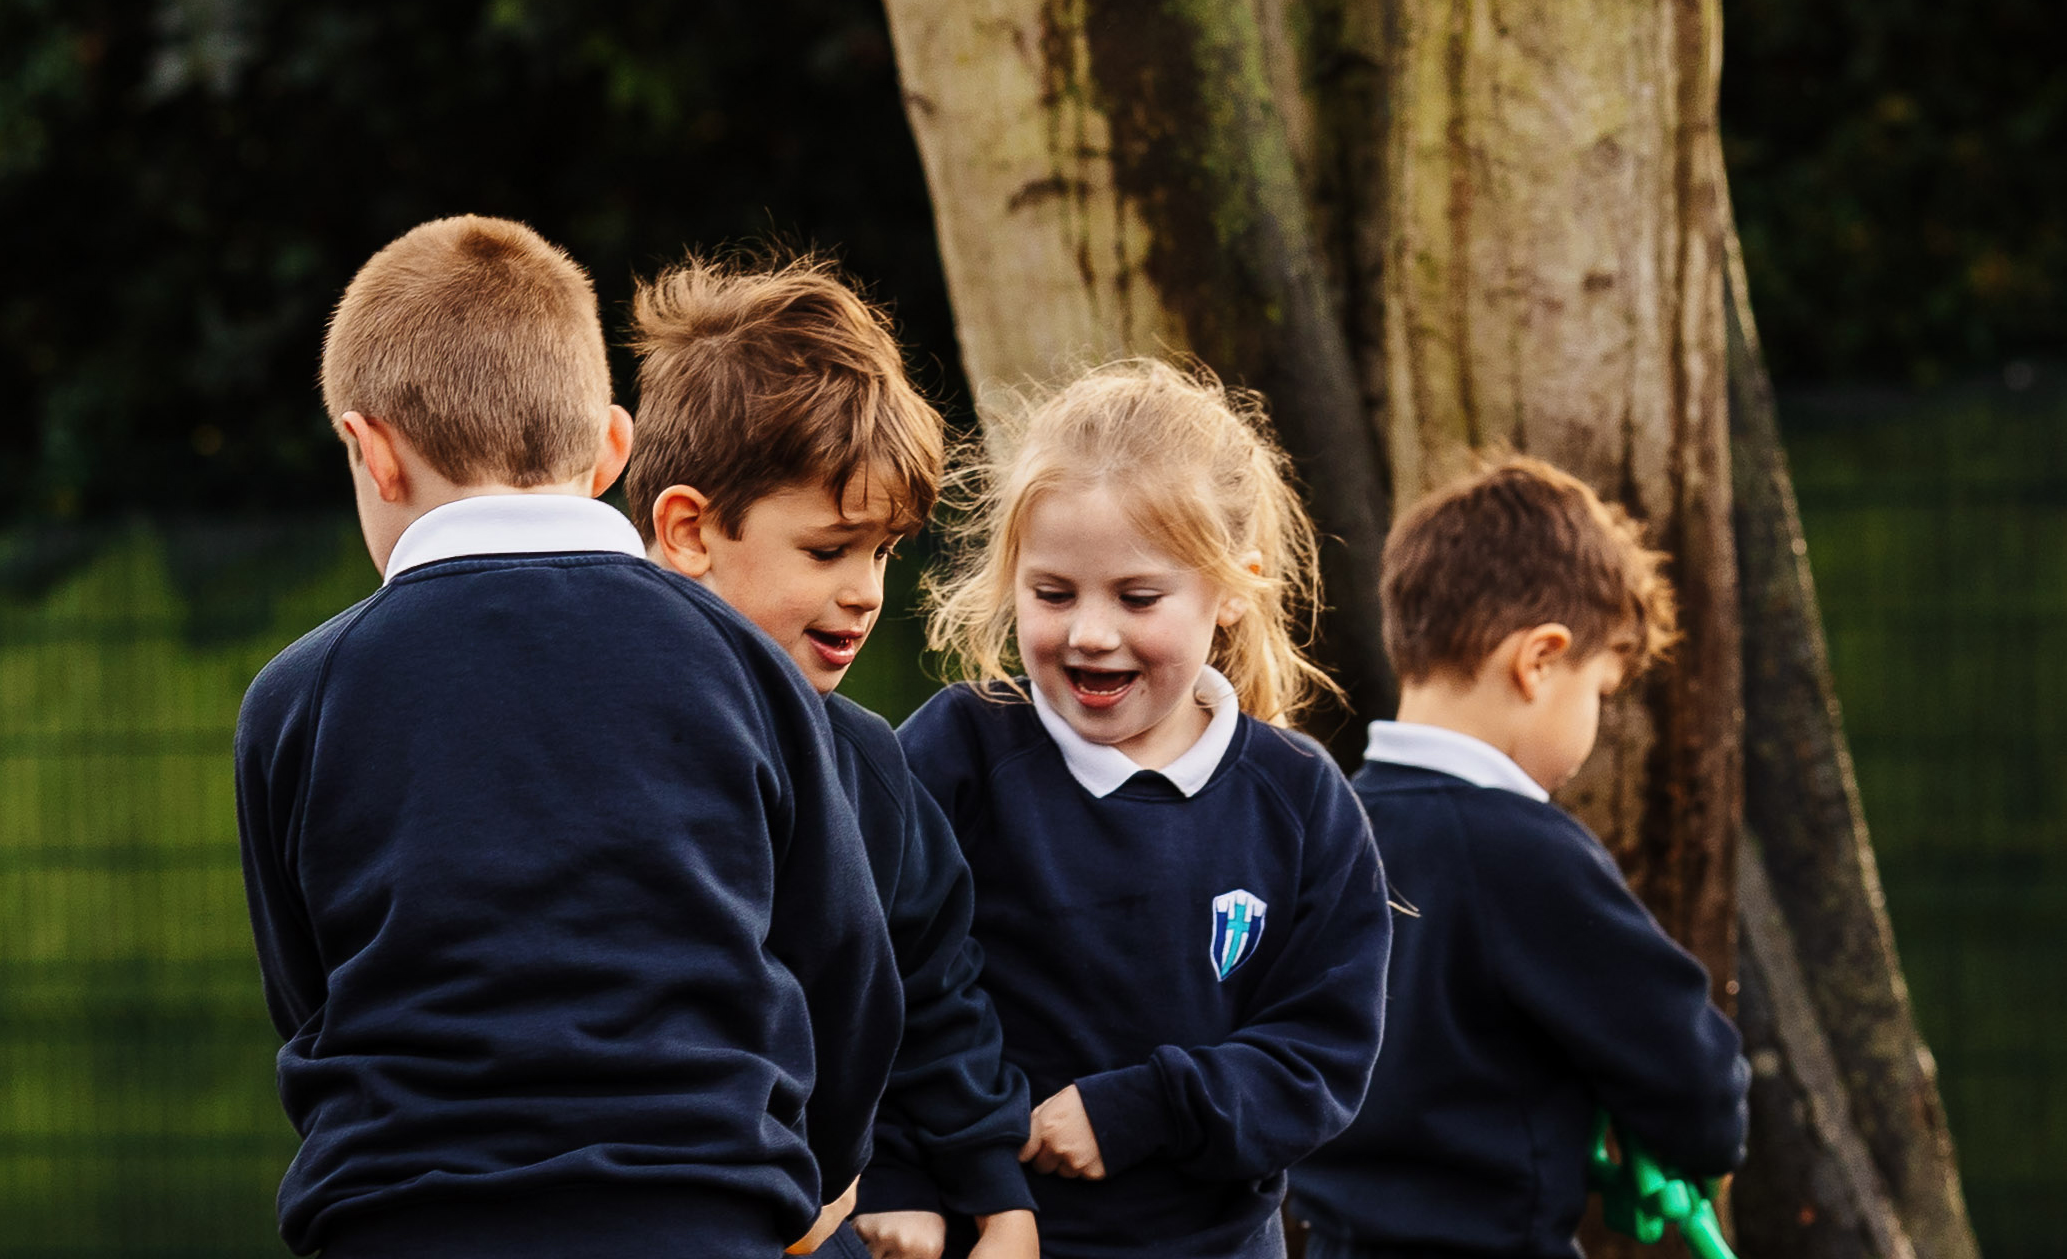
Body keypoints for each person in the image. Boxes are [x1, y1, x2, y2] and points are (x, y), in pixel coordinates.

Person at [233, 215, 899, 1259]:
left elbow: (304, 992)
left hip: (403, 1217)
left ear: (368, 451)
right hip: (698, 1211)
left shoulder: (299, 695)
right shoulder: (741, 665)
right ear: (611, 449)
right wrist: (793, 1171)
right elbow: (846, 962)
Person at [896, 359, 1390, 1259]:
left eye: (1137, 596)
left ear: (1232, 588)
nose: (1089, 631)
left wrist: (1142, 1109)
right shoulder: (958, 752)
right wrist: (895, 1175)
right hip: (994, 1238)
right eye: (1052, 593)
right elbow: (873, 980)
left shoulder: (1302, 799)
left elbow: (1321, 1055)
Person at [619, 254, 1038, 1259]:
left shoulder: (863, 762)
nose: (864, 591)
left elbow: (928, 986)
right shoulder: (603, 737)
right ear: (686, 529)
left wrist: (995, 1195)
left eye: (883, 551)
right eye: (827, 549)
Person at [1285, 458, 1748, 1258]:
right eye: (1599, 691)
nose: (1594, 725)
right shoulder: (1524, 851)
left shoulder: (1320, 830)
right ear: (1539, 659)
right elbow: (1696, 1080)